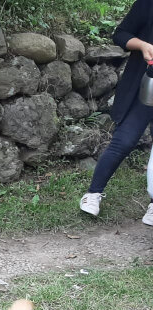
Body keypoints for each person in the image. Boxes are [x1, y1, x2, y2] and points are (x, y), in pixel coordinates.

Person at [79, 0, 153, 226]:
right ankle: (93, 194)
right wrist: (142, 45)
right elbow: (120, 34)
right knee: (124, 140)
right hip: (146, 85)